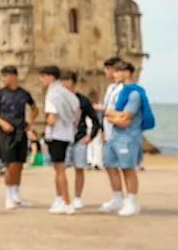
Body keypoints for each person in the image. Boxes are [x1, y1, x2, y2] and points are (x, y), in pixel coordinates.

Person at [0, 65, 37, 209]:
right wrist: (2, 123)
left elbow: (34, 108)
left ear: (14, 76)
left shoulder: (24, 93)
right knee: (10, 164)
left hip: (20, 129)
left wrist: (30, 123)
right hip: (7, 131)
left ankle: (16, 194)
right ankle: (8, 195)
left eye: (6, 76)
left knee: (19, 163)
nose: (4, 79)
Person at [101, 60, 144, 217]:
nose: (114, 74)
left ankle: (132, 201)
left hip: (127, 136)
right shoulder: (113, 89)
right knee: (110, 166)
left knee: (127, 168)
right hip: (111, 135)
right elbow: (110, 112)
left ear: (127, 73)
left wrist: (111, 115)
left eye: (118, 72)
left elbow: (125, 117)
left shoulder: (134, 93)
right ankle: (117, 198)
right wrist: (112, 116)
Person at [39, 65, 80, 215]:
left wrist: (48, 120)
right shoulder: (64, 92)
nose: (41, 80)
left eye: (43, 76)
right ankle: (60, 199)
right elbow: (77, 110)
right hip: (66, 133)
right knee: (59, 170)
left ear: (50, 77)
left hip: (56, 135)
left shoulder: (52, 94)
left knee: (60, 170)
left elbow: (51, 118)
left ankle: (67, 202)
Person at [60, 73, 99, 211]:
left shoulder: (83, 100)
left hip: (79, 139)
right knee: (61, 169)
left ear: (71, 81)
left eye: (64, 80)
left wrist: (90, 137)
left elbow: (95, 120)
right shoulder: (61, 99)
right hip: (63, 138)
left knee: (79, 169)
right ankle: (62, 197)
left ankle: (77, 197)